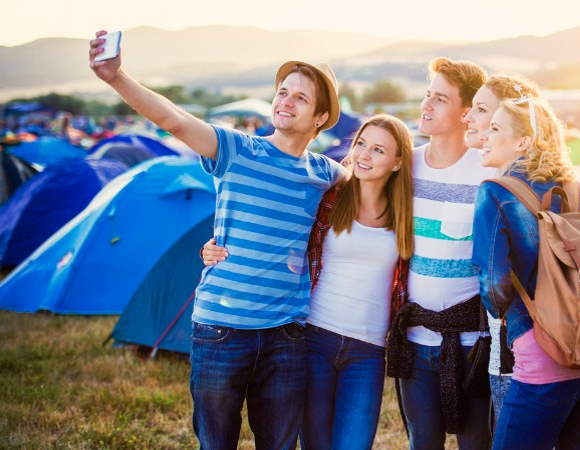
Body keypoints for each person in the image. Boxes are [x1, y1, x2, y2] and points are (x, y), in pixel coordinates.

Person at [89, 31, 345, 449]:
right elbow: (173, 120)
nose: (285, 101)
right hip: (221, 330)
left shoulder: (327, 174)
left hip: (287, 336)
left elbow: (377, 186)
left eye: (300, 97)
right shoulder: (236, 149)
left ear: (320, 117)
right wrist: (116, 78)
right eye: (283, 92)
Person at [201, 114, 415, 450]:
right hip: (315, 339)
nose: (364, 155)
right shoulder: (329, 198)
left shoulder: (407, 215)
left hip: (368, 352)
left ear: (398, 162)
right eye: (361, 144)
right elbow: (277, 226)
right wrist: (216, 247)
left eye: (378, 150)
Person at [472, 96, 580, 450]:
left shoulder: (496, 194)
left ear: (523, 142)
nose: (484, 134)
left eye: (496, 127)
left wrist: (519, 335)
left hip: (543, 352)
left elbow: (494, 287)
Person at [385, 57, 494, 450]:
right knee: (422, 444)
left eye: (440, 99)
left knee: (477, 443)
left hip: (473, 343)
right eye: (427, 95)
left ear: (467, 113)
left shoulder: (487, 171)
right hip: (414, 337)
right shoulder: (403, 166)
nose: (426, 106)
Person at [462, 75, 541, 424]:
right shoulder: (573, 186)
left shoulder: (495, 193)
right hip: (577, 340)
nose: (470, 119)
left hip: (518, 347)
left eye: (483, 112)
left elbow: (495, 287)